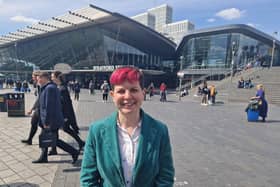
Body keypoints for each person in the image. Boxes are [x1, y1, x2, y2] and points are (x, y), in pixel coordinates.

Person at [80, 67, 174, 186]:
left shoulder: (160, 130)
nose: (128, 96)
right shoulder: (97, 131)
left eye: (134, 90)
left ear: (143, 93)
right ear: (112, 95)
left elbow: (165, 178)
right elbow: (88, 178)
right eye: (121, 91)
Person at [32, 72, 79, 164]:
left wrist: (46, 121)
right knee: (46, 137)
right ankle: (43, 156)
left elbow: (49, 106)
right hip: (51, 119)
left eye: (39, 78)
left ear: (45, 78)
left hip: (51, 120)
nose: (37, 80)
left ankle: (74, 152)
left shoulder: (49, 89)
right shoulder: (48, 87)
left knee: (54, 140)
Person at [50, 71, 85, 155]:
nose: (51, 78)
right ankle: (80, 142)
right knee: (64, 129)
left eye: (52, 76)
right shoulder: (59, 87)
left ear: (57, 77)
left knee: (59, 129)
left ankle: (79, 144)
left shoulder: (62, 89)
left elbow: (66, 104)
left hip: (63, 115)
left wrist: (65, 116)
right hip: (62, 114)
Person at [21, 71, 40, 145]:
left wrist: (32, 109)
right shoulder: (37, 85)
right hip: (38, 108)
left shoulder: (40, 85)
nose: (32, 78)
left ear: (37, 77)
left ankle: (53, 146)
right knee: (34, 123)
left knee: (48, 129)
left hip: (41, 108)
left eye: (33, 77)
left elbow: (39, 98)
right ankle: (29, 139)